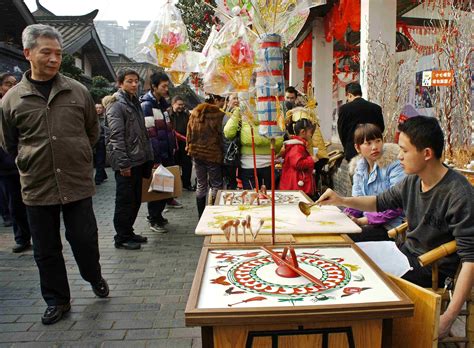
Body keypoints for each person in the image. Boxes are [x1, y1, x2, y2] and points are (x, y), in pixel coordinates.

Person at [317, 116, 473, 338]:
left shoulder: (459, 194)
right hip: (404, 255)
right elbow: (379, 201)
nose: (398, 156)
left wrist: (448, 316)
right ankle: (354, 334)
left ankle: (368, 335)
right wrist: (341, 200)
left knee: (359, 275)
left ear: (427, 153)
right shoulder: (413, 180)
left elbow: (470, 259)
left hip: (431, 269)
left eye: (404, 150)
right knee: (346, 255)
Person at [0, 24, 108, 325]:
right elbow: (8, 143)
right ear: (27, 53)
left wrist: (79, 155)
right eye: (46, 52)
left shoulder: (78, 91)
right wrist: (28, 160)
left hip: (76, 181)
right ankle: (57, 300)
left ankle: (94, 275)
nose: (53, 59)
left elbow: (92, 131)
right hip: (37, 185)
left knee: (85, 240)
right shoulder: (12, 100)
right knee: (46, 250)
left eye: (58, 53)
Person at [105, 68, 153, 250]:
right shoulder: (116, 104)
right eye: (129, 81)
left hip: (138, 160)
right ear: (120, 83)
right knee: (124, 201)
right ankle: (122, 237)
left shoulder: (134, 102)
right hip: (127, 163)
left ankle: (129, 231)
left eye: (136, 81)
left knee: (134, 199)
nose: (134, 84)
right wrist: (123, 164)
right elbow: (116, 137)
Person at [344, 124, 405, 242]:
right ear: (357, 148)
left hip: (391, 227)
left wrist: (363, 221)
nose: (375, 147)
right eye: (368, 143)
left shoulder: (394, 165)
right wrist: (347, 215)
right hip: (367, 222)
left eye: (378, 141)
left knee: (348, 238)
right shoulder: (359, 168)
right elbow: (357, 200)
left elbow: (396, 206)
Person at [140, 71, 181, 233]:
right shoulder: (147, 105)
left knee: (165, 186)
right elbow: (150, 134)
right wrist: (156, 157)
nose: (166, 89)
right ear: (154, 86)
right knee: (157, 187)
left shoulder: (163, 104)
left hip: (167, 151)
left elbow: (169, 128)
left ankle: (158, 216)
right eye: (163, 86)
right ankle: (153, 218)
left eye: (167, 86)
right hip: (157, 153)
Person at [224, 105, 284, 191]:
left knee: (251, 198)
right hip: (268, 164)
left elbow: (228, 133)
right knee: (266, 197)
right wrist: (274, 151)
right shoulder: (272, 108)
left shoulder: (242, 110)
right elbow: (278, 138)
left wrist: (236, 112)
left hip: (247, 164)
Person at [187, 94, 225, 217]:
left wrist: (190, 147)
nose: (223, 104)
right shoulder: (218, 115)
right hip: (213, 154)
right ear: (216, 100)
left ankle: (201, 216)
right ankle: (213, 214)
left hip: (197, 154)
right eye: (222, 101)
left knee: (201, 184)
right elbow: (221, 136)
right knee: (216, 185)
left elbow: (189, 133)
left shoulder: (194, 113)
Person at [337, 82, 385, 161]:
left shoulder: (344, 109)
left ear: (349, 95)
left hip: (352, 151)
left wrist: (347, 147)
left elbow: (342, 131)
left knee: (356, 172)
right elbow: (381, 128)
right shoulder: (376, 108)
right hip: (372, 150)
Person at [279, 116, 318, 198]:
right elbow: (297, 163)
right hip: (297, 185)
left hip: (294, 184)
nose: (311, 135)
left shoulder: (297, 145)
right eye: (311, 132)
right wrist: (311, 159)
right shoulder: (297, 146)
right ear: (303, 132)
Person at [0, 72, 17, 228]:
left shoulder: (18, 102)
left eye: (14, 84)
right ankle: (6, 215)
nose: (12, 87)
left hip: (15, 158)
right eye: (7, 84)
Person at [168, 95, 194, 191]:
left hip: (184, 142)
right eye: (179, 104)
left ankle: (186, 183)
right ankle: (174, 185)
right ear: (173, 104)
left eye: (182, 105)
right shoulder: (167, 114)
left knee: (187, 164)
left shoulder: (186, 115)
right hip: (173, 142)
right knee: (174, 165)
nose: (181, 106)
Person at [222, 93, 239, 190]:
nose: (236, 101)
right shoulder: (229, 114)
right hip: (230, 154)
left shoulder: (235, 113)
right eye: (234, 99)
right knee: (231, 183)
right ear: (228, 102)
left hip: (233, 153)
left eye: (238, 98)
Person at [94, 103, 108, 185]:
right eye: (97, 108)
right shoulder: (92, 118)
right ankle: (103, 175)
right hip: (93, 141)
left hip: (102, 141)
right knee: (96, 160)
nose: (98, 109)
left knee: (100, 159)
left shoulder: (105, 118)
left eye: (100, 108)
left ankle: (98, 179)